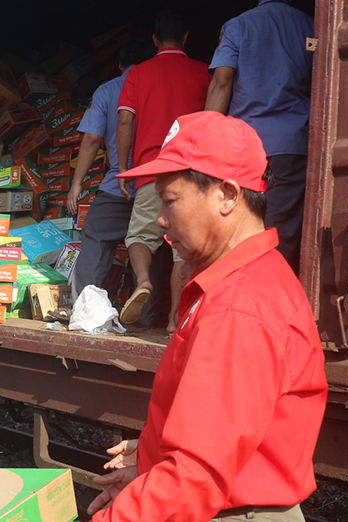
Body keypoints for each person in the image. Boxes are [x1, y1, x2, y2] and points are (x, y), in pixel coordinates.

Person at [0, 111, 328, 522]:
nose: (160, 220)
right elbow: (230, 427)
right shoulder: (236, 284)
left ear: (227, 195)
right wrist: (151, 455)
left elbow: (199, 470)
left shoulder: (239, 305)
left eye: (170, 199)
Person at [116, 7, 211, 330]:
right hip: (190, 171)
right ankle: (174, 320)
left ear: (155, 39)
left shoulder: (137, 74)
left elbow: (125, 119)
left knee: (139, 235)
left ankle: (143, 280)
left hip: (149, 168)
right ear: (185, 38)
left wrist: (125, 166)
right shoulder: (204, 72)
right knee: (182, 249)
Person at [205, 0, 314, 272]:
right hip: (291, 145)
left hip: (244, 147)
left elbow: (222, 82)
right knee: (282, 232)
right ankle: (272, 299)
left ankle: (238, 301)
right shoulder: (310, 26)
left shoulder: (238, 25)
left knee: (236, 225)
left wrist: (207, 141)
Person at [68, 37, 155, 302]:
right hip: (156, 185)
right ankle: (150, 316)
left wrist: (77, 183)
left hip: (118, 185)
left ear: (120, 65)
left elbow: (92, 139)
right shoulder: (159, 87)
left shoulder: (107, 91)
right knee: (155, 246)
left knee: (95, 237)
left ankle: (84, 306)